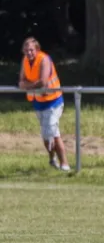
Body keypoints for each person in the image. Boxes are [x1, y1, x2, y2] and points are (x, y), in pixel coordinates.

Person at [18, 37, 70, 171]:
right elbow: (20, 81)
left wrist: (27, 86)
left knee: (53, 131)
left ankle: (65, 164)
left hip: (54, 101)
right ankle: (52, 159)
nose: (29, 53)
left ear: (37, 49)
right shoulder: (25, 61)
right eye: (26, 50)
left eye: (31, 50)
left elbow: (43, 82)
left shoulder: (44, 59)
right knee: (46, 135)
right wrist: (27, 85)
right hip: (38, 102)